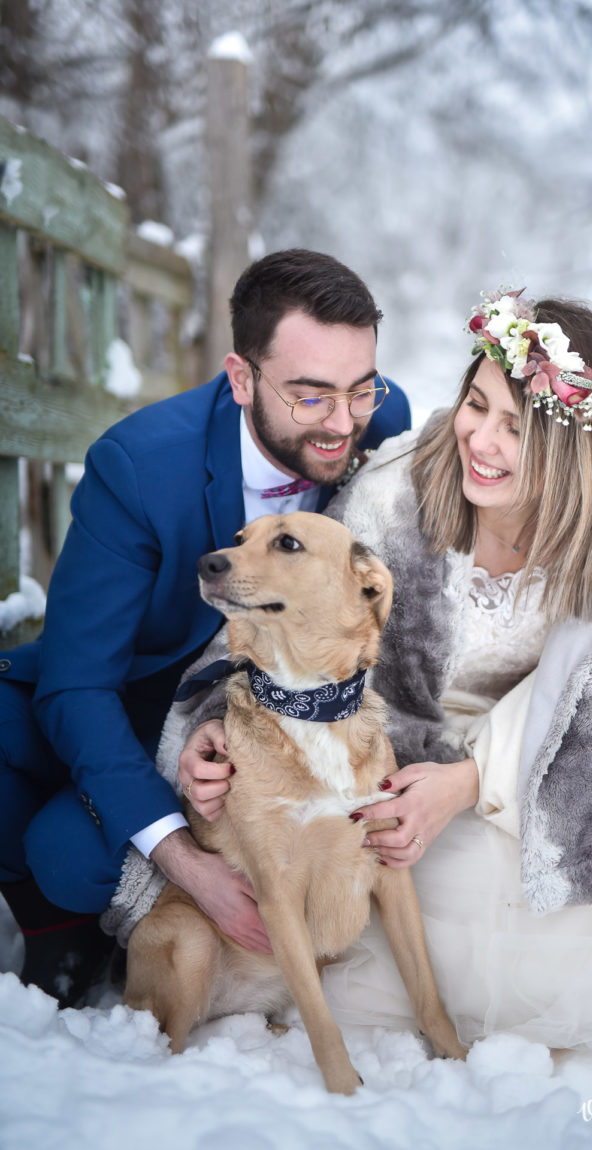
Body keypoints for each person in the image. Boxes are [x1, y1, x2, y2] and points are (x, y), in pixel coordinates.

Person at [178, 286, 592, 1079]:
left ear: (573, 453)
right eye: (476, 404)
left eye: (516, 427)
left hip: (526, 765)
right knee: (440, 896)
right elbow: (286, 619)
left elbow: (581, 689)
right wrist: (213, 722)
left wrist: (470, 780)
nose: (481, 440)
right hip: (392, 760)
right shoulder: (393, 497)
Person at [0, 248, 411, 1006]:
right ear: (241, 378)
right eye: (311, 396)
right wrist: (190, 868)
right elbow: (79, 682)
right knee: (25, 771)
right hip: (131, 691)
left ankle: (83, 882)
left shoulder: (380, 420)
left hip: (259, 706)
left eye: (360, 388)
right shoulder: (139, 467)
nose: (343, 421)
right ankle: (55, 926)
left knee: (70, 849)